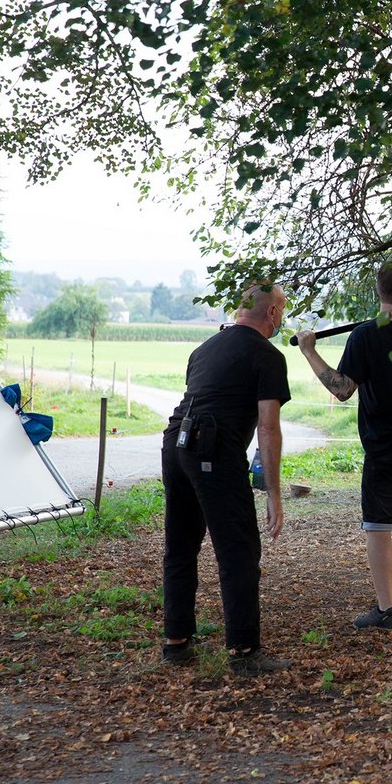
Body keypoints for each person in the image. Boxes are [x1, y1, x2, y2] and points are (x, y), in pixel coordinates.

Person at [296, 261, 392, 629]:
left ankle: (385, 610)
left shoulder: (364, 336)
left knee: (379, 527)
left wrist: (309, 351)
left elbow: (343, 389)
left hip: (386, 446)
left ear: (377, 292)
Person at [161, 282, 292, 677]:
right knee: (238, 549)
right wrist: (273, 494)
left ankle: (177, 642)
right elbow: (268, 430)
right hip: (212, 449)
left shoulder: (203, 349)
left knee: (181, 544)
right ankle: (244, 650)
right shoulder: (268, 356)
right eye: (281, 310)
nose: (282, 317)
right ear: (271, 314)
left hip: (175, 443)